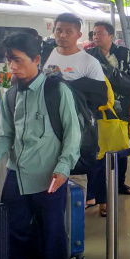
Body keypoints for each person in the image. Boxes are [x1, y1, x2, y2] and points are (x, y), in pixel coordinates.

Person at [0, 33, 81, 259]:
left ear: (37, 60)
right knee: (18, 225)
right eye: (8, 61)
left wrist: (63, 168)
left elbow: (72, 135)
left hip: (49, 174)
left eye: (17, 60)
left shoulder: (56, 91)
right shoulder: (11, 94)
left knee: (49, 226)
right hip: (17, 172)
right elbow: (5, 133)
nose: (12, 67)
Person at [43, 13, 107, 214]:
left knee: (75, 176)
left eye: (68, 31)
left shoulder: (89, 62)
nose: (62, 35)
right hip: (47, 131)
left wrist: (70, 89)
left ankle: (74, 224)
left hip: (77, 132)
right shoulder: (45, 57)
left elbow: (100, 99)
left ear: (78, 34)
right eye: (59, 30)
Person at [87, 22, 130, 196]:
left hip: (121, 108)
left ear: (111, 36)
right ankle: (98, 188)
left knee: (120, 145)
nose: (96, 37)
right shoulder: (89, 55)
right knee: (97, 146)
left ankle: (119, 183)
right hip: (96, 109)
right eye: (94, 34)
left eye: (100, 33)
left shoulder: (123, 54)